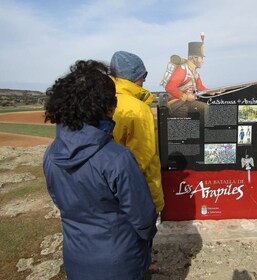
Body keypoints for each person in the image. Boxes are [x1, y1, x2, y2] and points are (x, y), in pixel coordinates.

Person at [43, 60, 157, 279]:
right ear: (106, 106)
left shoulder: (51, 154)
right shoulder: (117, 158)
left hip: (76, 259)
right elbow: (143, 218)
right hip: (121, 262)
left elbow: (60, 200)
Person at [110, 51, 164, 214]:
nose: (145, 79)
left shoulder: (105, 100)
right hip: (139, 194)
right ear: (132, 77)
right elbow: (143, 156)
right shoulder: (137, 109)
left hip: (111, 193)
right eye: (142, 74)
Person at [164, 34, 221, 118]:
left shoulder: (195, 73)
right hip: (176, 103)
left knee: (206, 108)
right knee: (183, 113)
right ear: (195, 58)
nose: (203, 61)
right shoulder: (182, 69)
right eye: (202, 58)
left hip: (187, 102)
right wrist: (185, 97)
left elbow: (200, 87)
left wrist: (213, 91)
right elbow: (169, 87)